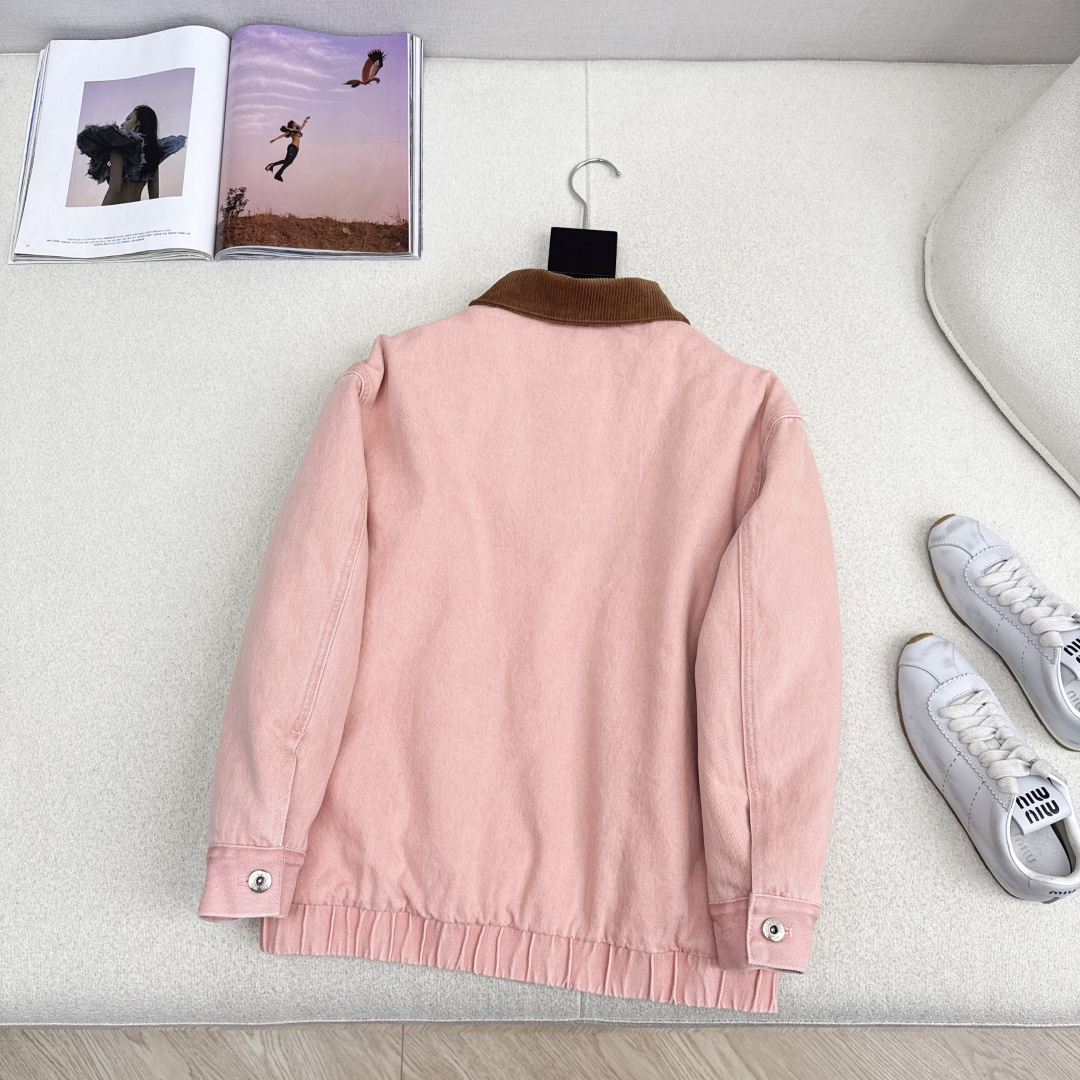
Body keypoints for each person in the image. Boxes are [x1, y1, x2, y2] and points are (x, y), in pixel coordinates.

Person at [75, 104, 187, 205]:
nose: (122, 123)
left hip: (117, 211)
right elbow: (154, 195)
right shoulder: (154, 153)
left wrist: (100, 216)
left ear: (138, 123)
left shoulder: (118, 150)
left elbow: (114, 190)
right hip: (137, 213)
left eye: (128, 119)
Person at [266, 117, 310, 182]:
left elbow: (303, 125)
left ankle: (273, 168)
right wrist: (274, 139)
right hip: (292, 147)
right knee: (288, 161)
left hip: (296, 149)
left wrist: (305, 120)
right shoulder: (290, 130)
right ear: (293, 124)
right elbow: (283, 135)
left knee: (287, 161)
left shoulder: (298, 130)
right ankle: (276, 172)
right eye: (295, 122)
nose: (296, 123)